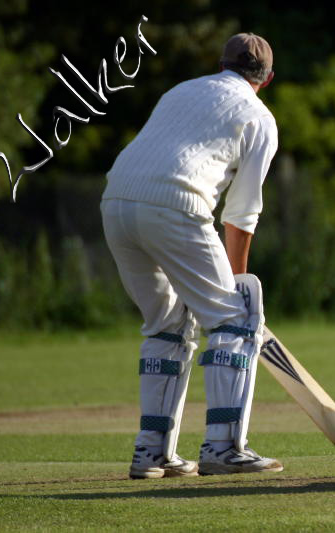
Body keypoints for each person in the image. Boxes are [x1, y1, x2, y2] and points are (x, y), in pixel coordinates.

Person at [100, 33, 281, 478]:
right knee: (234, 320)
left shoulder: (181, 90)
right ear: (268, 79)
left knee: (167, 326)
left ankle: (152, 452)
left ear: (220, 64)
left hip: (115, 202)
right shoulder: (258, 116)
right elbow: (240, 217)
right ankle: (223, 447)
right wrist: (234, 292)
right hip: (175, 204)